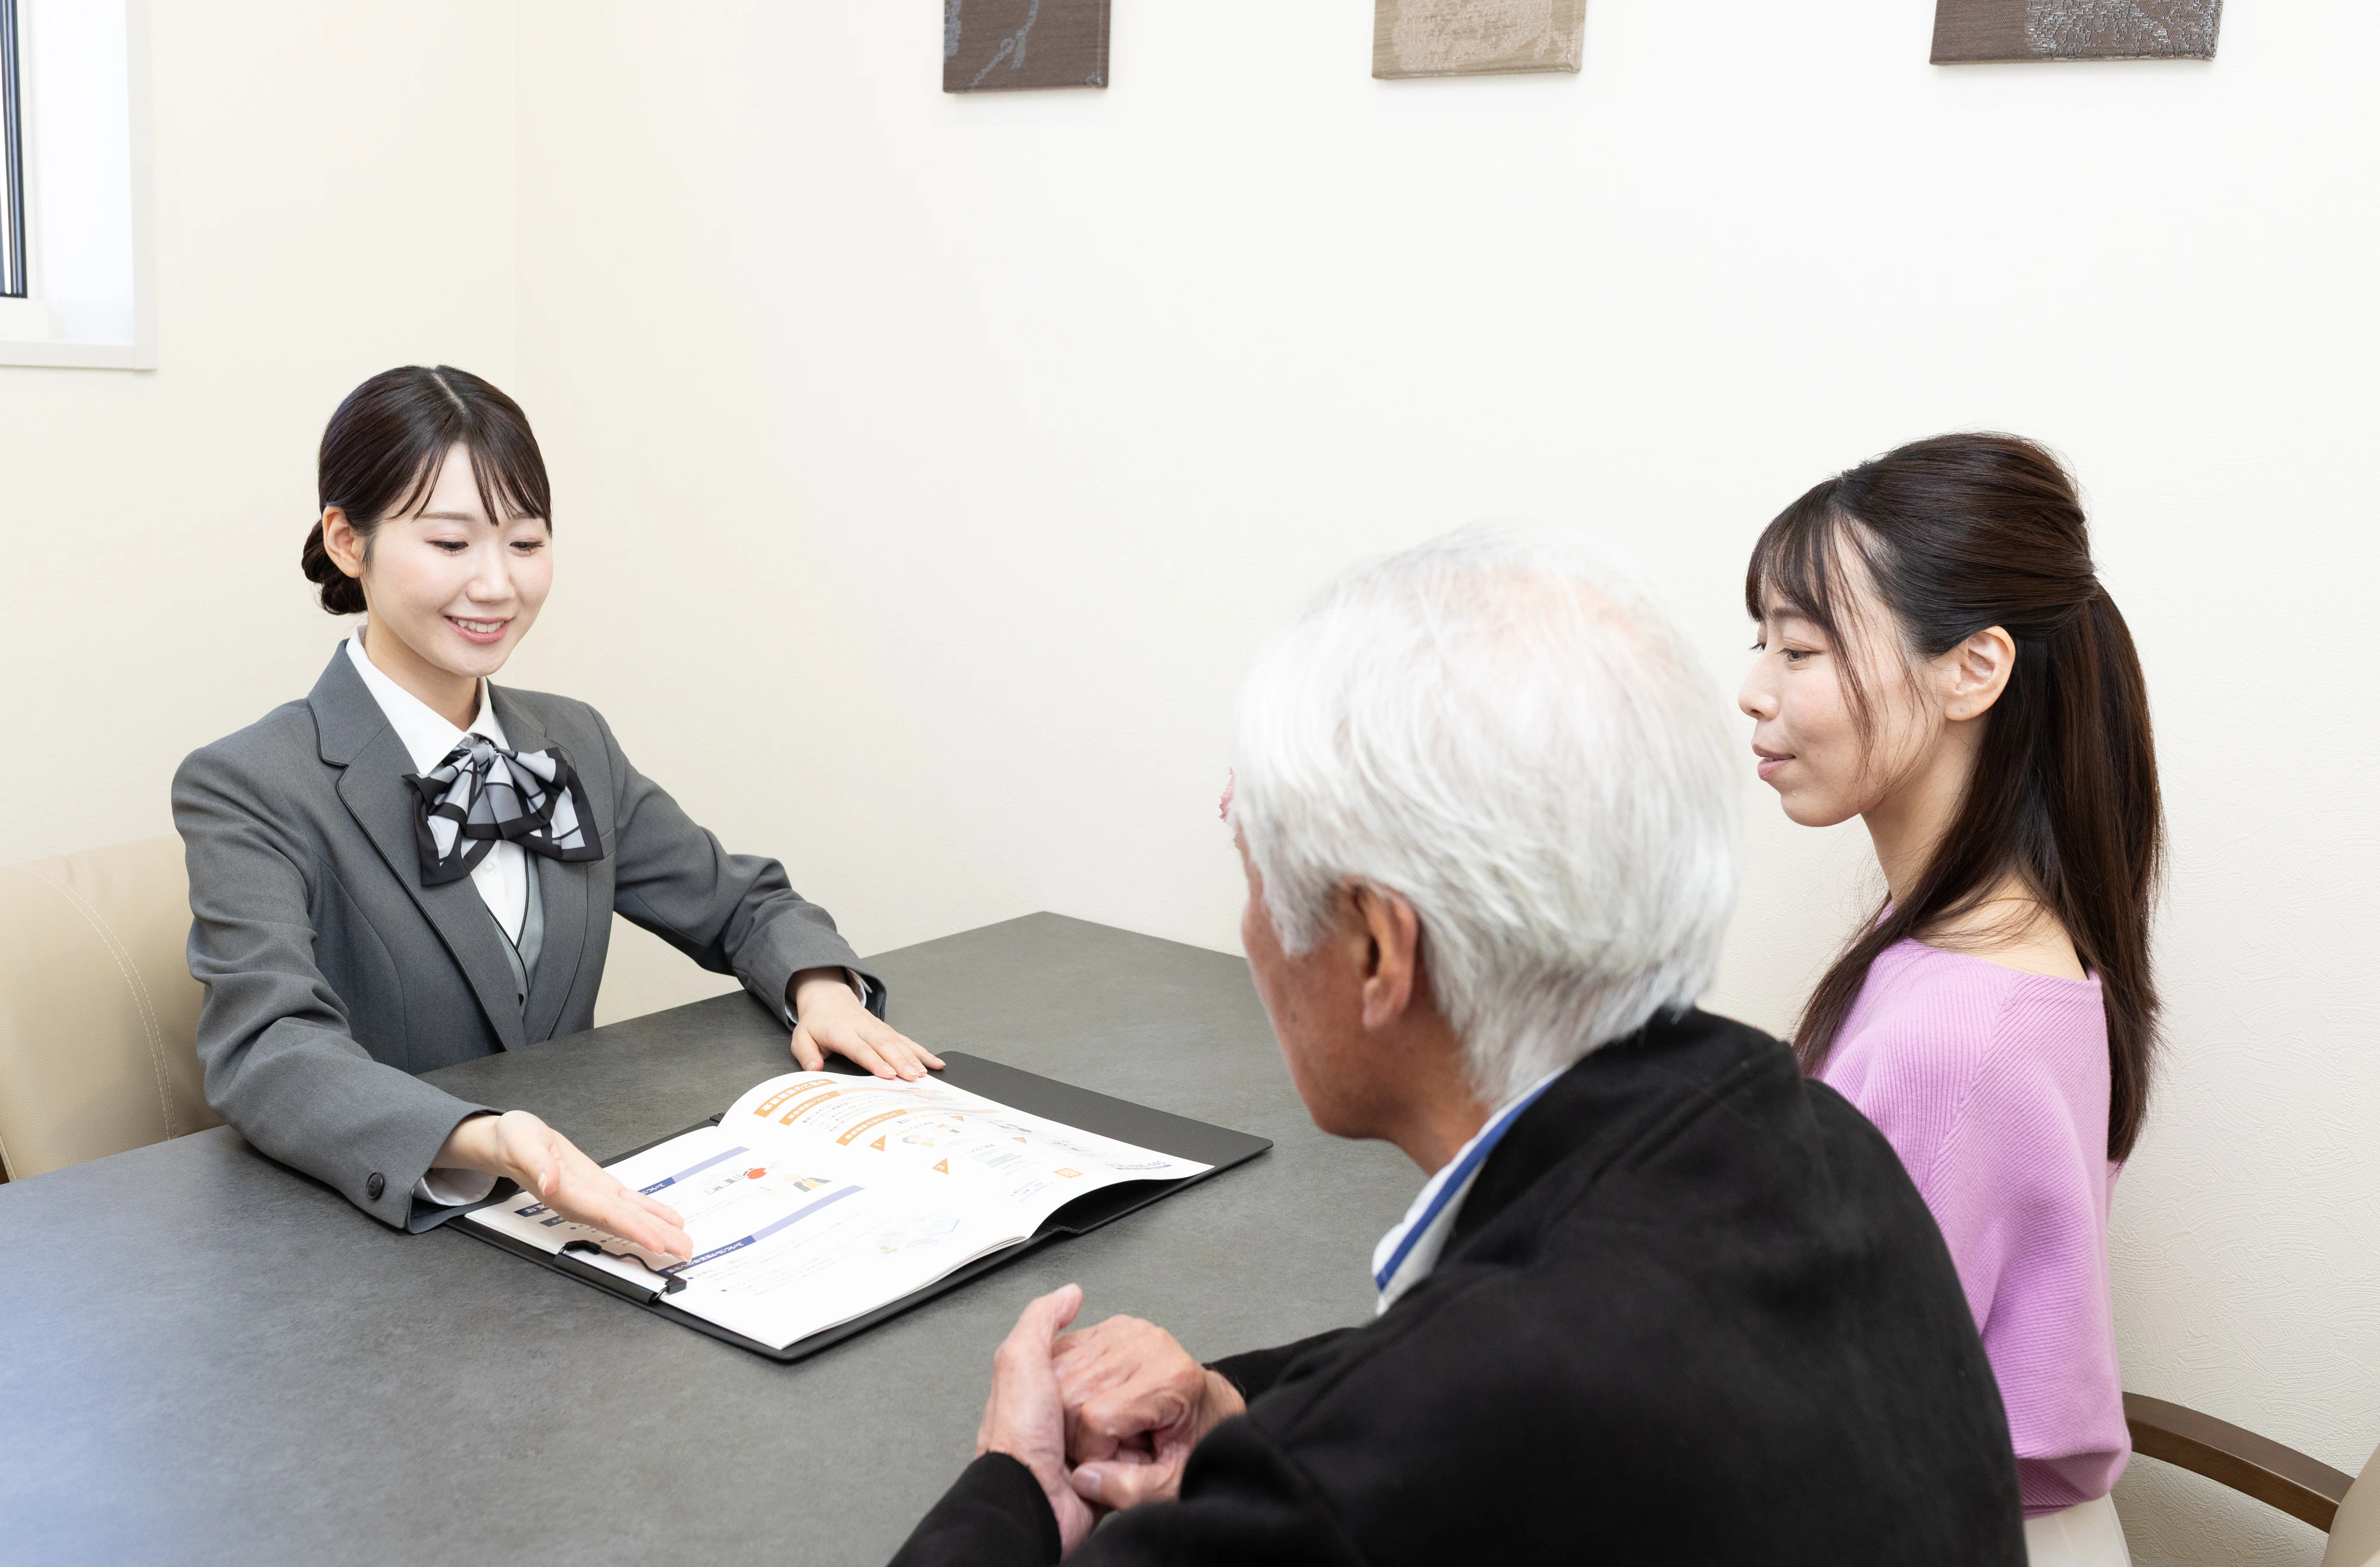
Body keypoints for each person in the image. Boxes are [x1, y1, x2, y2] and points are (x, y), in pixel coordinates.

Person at [889, 527, 2025, 1565]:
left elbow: (1451, 1422)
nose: (1250, 930)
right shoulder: (1817, 1144)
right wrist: (1234, 1410)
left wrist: (1014, 1485)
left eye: (1255, 866)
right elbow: (1502, 1378)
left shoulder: (1372, 1487)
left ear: (1382, 950)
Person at [174, 365, 940, 1255]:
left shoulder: (573, 740)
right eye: (451, 544)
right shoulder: (249, 781)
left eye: (526, 543)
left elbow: (742, 903)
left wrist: (822, 990)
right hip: (386, 1240)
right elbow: (268, 1051)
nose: (496, 585)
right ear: (348, 541)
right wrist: (486, 1138)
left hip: (584, 1218)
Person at [1737, 434, 2160, 1567]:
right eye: (1762, 643)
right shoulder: (1992, 936)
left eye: (1802, 649)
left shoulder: (1955, 1030)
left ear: (1973, 668)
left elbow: (1821, 1410)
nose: (1754, 689)